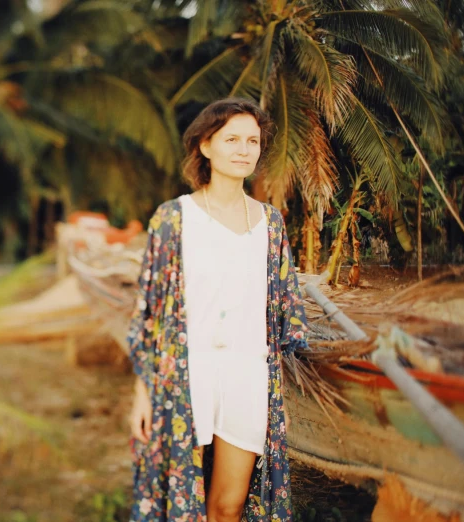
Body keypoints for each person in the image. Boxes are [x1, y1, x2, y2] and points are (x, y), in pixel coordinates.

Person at [127, 98, 309, 522]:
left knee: (229, 504)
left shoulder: (270, 222)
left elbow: (285, 306)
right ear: (205, 146)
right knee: (182, 502)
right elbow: (149, 313)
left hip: (247, 374)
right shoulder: (174, 219)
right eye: (232, 139)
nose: (244, 149)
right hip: (187, 373)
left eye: (253, 140)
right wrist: (142, 393)